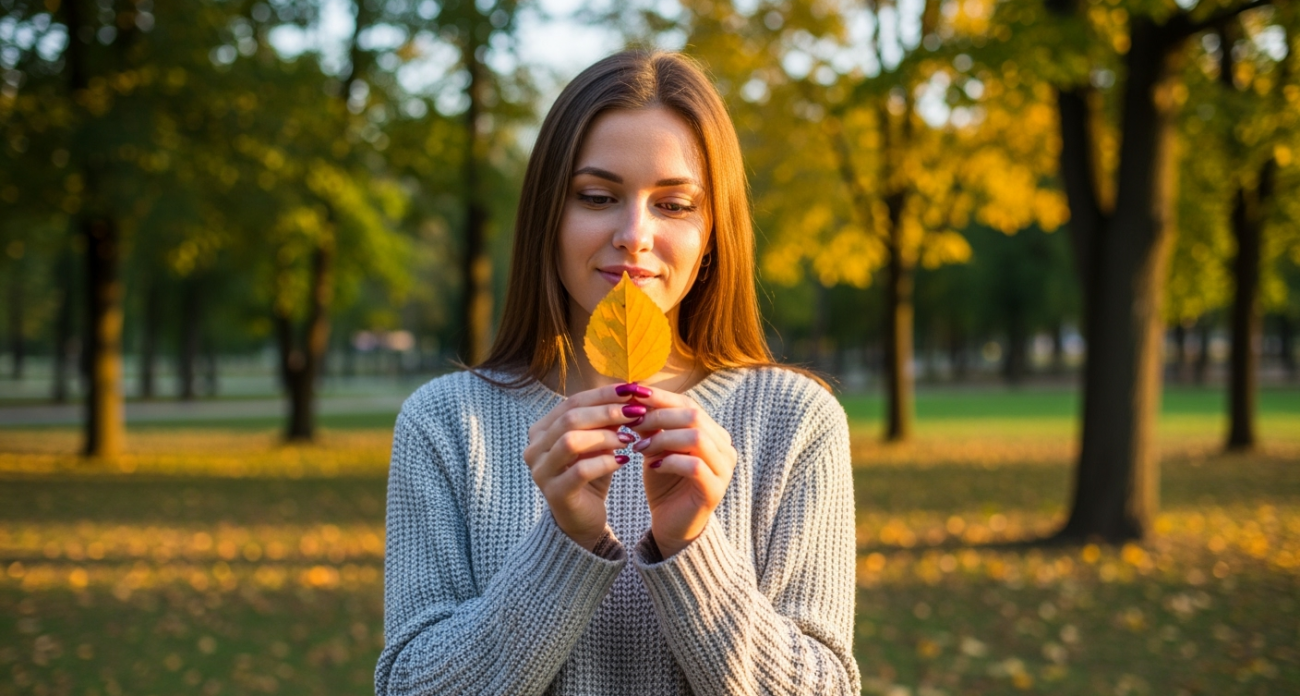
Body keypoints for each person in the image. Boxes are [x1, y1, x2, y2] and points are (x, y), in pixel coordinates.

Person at [375, 50, 859, 695]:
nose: (633, 234)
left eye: (675, 204)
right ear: (549, 216)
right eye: (598, 197)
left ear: (714, 230)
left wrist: (691, 546)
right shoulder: (447, 424)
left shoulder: (795, 422)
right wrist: (564, 544)